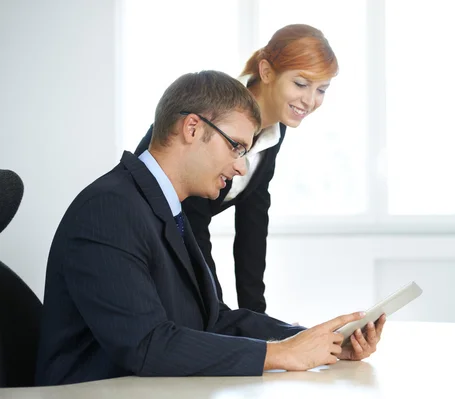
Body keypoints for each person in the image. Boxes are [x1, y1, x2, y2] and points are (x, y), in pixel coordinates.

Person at [35, 71, 385, 386]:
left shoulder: (168, 209)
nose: (241, 168)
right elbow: (146, 345)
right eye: (235, 147)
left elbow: (212, 319)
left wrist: (319, 342)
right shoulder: (110, 209)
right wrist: (278, 355)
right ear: (192, 128)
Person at [134, 24, 337, 313]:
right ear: (266, 72)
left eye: (322, 89)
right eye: (301, 84)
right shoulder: (218, 111)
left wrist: (256, 318)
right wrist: (216, 310)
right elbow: (193, 217)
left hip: (181, 235)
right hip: (148, 235)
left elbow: (253, 220)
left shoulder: (275, 127)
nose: (310, 100)